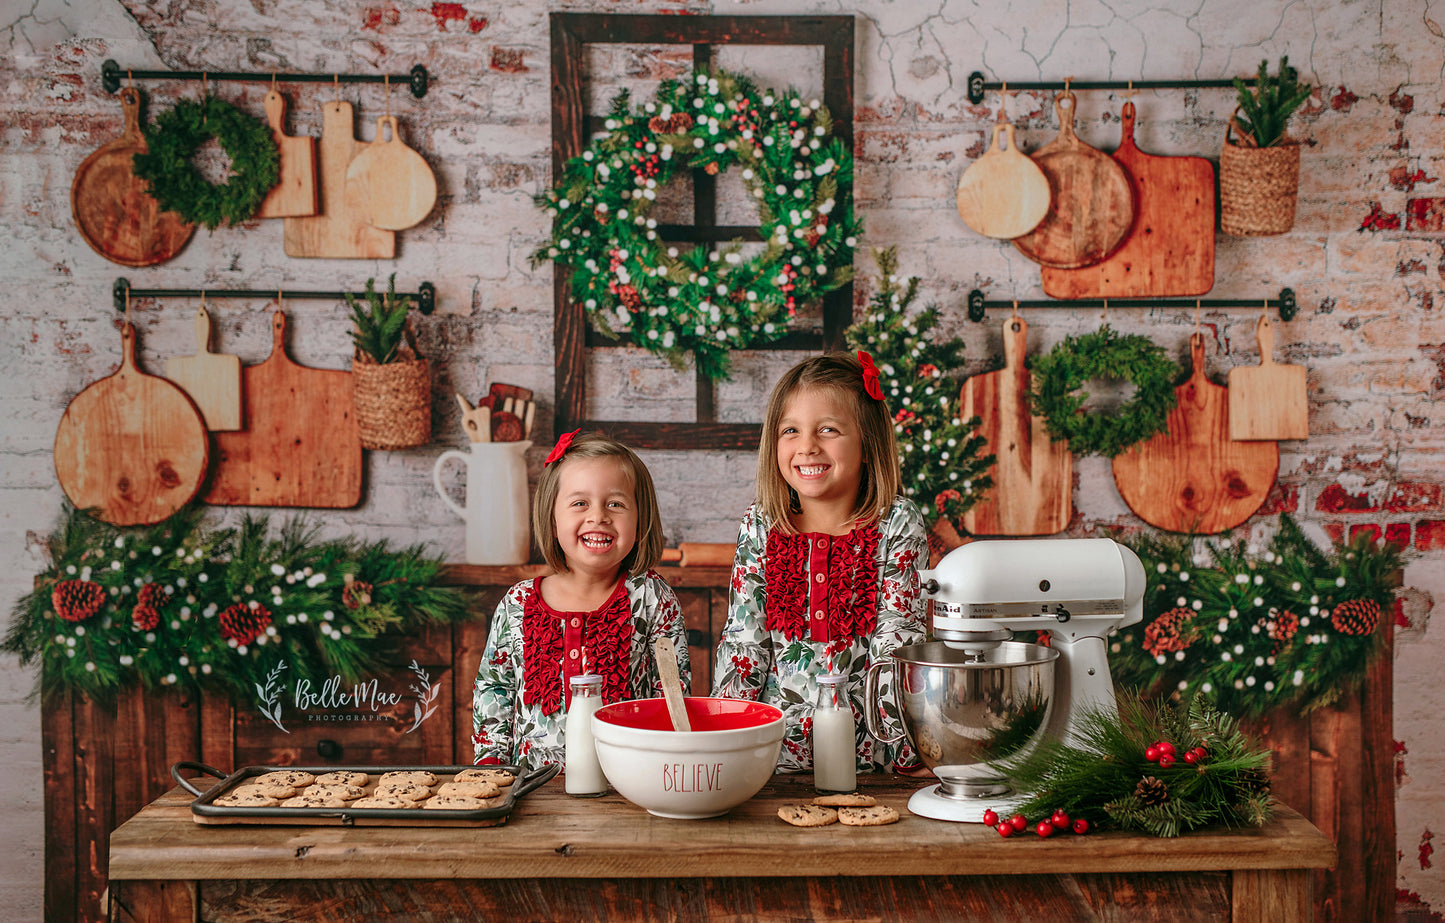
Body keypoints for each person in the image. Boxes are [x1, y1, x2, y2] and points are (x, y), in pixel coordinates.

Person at [713, 351, 928, 772]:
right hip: (769, 760)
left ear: (868, 444)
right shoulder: (760, 526)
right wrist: (726, 742)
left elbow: (898, 640)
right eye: (790, 430)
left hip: (874, 760)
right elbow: (744, 641)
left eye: (828, 429)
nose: (807, 446)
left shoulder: (897, 523)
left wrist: (907, 752)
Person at [472, 430, 690, 769]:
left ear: (640, 518)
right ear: (552, 519)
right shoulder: (516, 603)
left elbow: (673, 694)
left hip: (629, 785)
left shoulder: (651, 597)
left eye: (615, 504)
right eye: (579, 503)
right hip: (531, 791)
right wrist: (491, 766)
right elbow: (493, 690)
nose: (598, 516)